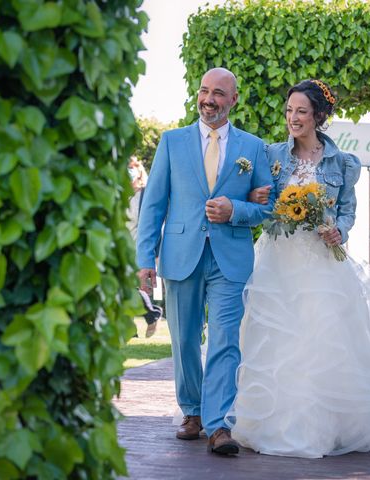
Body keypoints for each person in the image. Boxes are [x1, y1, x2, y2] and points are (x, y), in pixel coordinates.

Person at [225, 79, 370, 458]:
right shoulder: (270, 156)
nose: (293, 118)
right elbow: (259, 200)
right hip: (277, 263)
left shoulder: (344, 163)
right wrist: (253, 196)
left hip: (321, 268)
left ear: (318, 116)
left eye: (301, 111)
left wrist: (340, 230)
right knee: (275, 341)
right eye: (289, 110)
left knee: (320, 343)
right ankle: (269, 424)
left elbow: (347, 210)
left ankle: (326, 428)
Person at [136, 67, 274, 455]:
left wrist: (236, 210)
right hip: (181, 254)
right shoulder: (171, 142)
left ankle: (219, 424)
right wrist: (145, 257)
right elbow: (154, 205)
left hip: (230, 258)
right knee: (183, 339)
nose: (208, 99)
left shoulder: (253, 147)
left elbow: (267, 206)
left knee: (226, 340)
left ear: (234, 100)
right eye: (204, 91)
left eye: (218, 93)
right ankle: (193, 411)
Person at [126, 156, 162, 338]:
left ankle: (152, 313)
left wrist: (153, 254)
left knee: (134, 289)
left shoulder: (145, 195)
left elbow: (152, 225)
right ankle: (131, 328)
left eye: (133, 168)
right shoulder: (121, 194)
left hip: (138, 250)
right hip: (122, 250)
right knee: (124, 289)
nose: (129, 171)